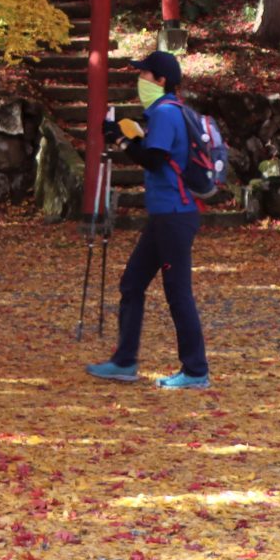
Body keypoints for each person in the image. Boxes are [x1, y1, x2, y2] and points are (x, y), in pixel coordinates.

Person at [87, 51, 210, 390]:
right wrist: (131, 136)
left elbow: (154, 160)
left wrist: (121, 138)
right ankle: (124, 361)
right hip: (166, 215)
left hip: (174, 214)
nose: (139, 81)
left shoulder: (167, 113)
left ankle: (196, 370)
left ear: (161, 81)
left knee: (177, 291)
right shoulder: (166, 112)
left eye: (144, 75)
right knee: (132, 283)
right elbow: (157, 153)